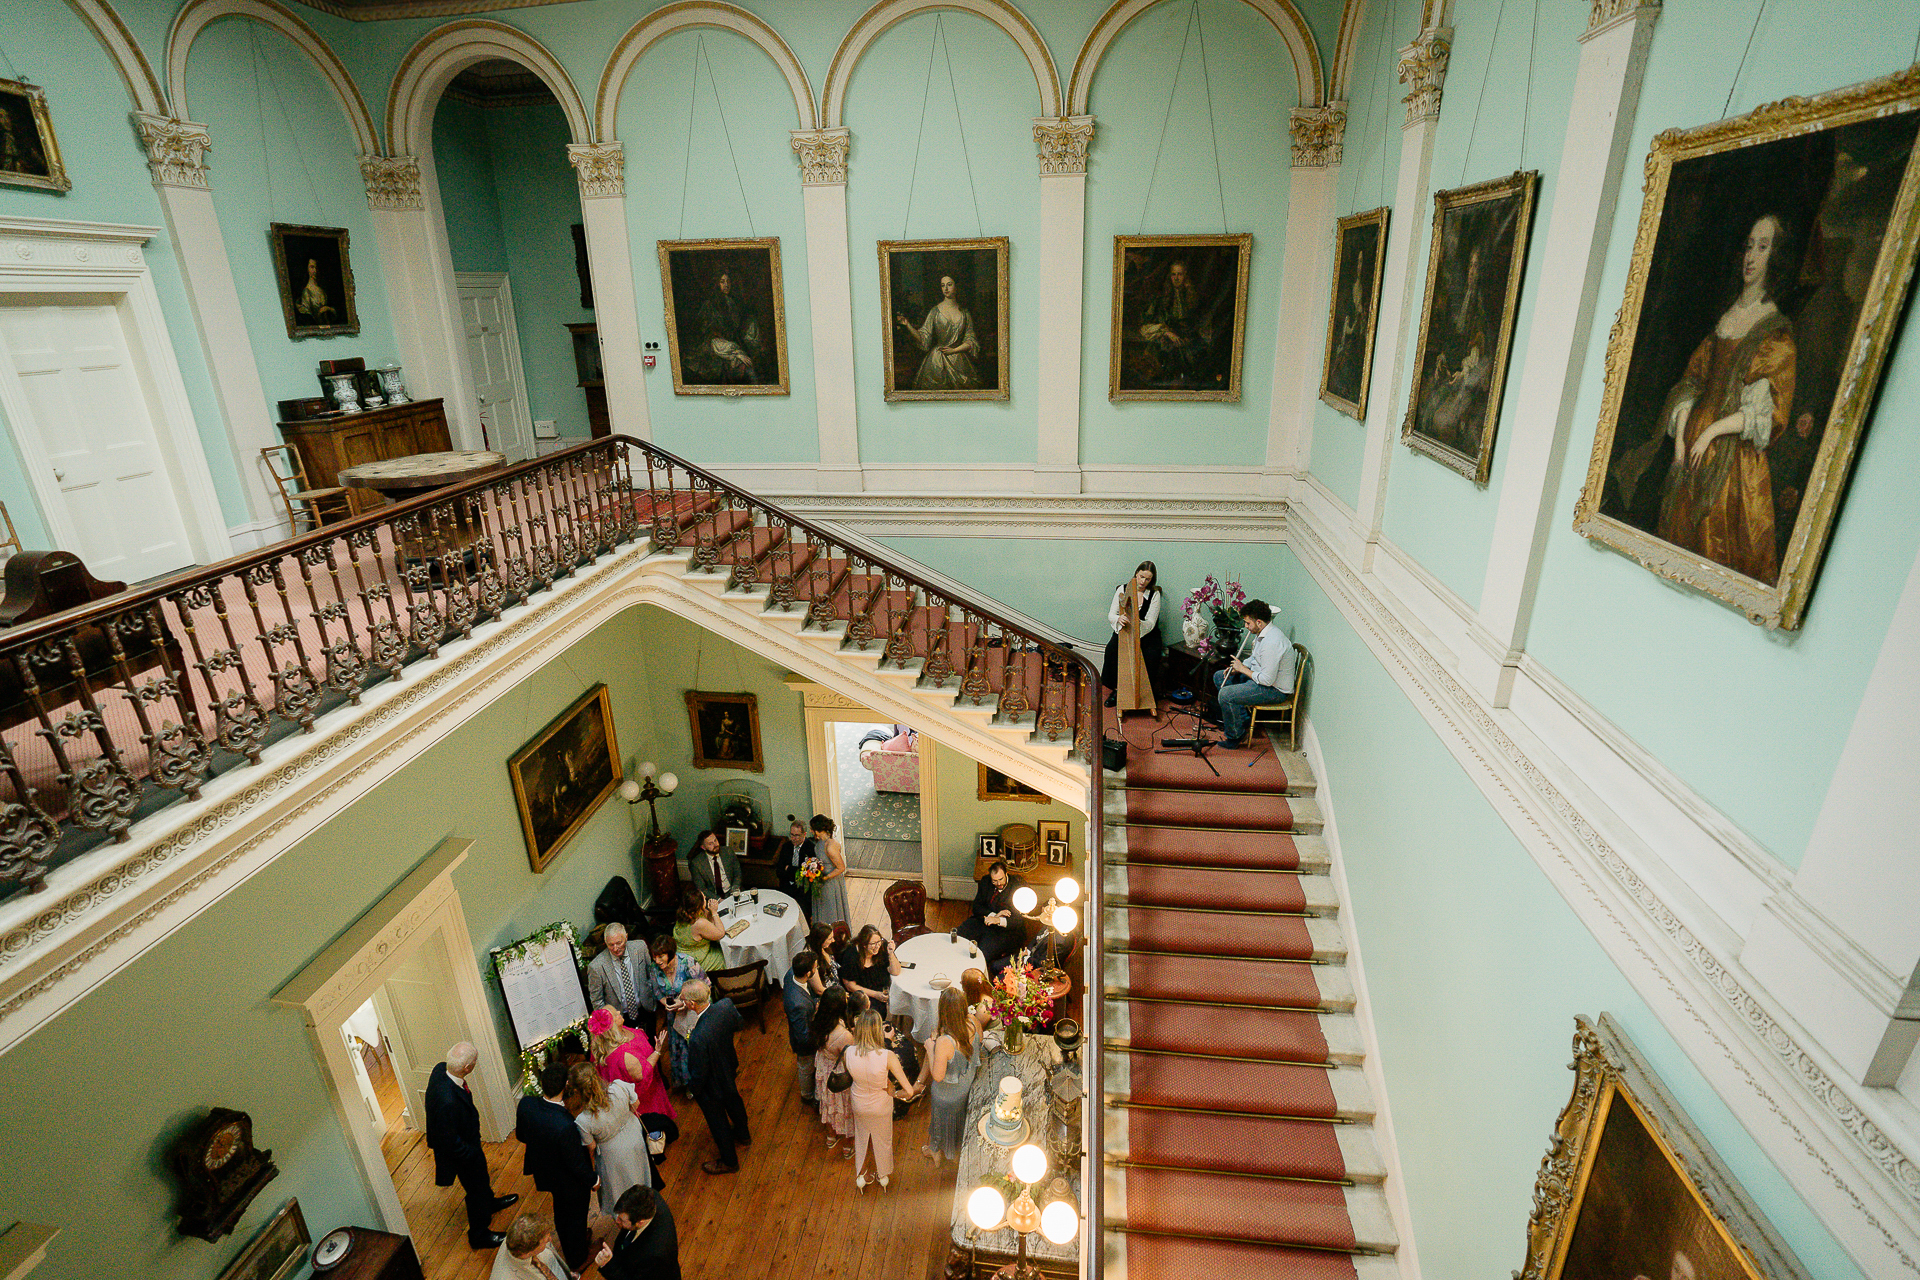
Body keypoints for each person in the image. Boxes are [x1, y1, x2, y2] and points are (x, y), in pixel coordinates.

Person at [1653, 213, 1797, 585]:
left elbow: (1766, 413)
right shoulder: (1726, 319)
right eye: (1749, 245)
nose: (1751, 256)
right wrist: (1682, 444)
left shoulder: (1775, 331)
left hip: (1734, 462)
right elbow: (1691, 382)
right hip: (1692, 454)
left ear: (1775, 257)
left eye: (1762, 247)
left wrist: (1710, 432)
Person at [425, 1042, 517, 1250]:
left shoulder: (441, 1068)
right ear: (467, 1068)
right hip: (461, 1153)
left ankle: (490, 1203)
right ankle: (479, 1234)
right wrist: (471, 1153)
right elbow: (448, 1141)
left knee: (482, 1180)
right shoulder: (447, 1101)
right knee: (474, 1190)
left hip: (468, 1142)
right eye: (474, 1062)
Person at [515, 1063, 595, 1273]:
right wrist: (594, 1180)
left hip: (546, 1174)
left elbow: (521, 1135)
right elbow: (576, 1164)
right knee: (576, 1216)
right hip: (570, 1181)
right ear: (566, 1086)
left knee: (561, 1212)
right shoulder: (565, 1124)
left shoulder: (526, 1104)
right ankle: (578, 1258)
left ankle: (572, 1242)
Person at [680, 978, 751, 1174]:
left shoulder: (698, 1037)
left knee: (718, 1122)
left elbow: (699, 1072)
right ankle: (744, 1135)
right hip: (728, 1067)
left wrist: (693, 1090)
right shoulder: (726, 1006)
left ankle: (729, 1161)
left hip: (712, 1085)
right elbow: (739, 1024)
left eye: (684, 999)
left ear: (692, 1004)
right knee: (734, 1100)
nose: (683, 1002)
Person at [845, 1009, 917, 1191]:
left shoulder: (848, 1052)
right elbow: (909, 1091)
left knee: (861, 1137)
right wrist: (893, 1093)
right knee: (883, 1139)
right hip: (881, 1103)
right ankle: (883, 1175)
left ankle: (861, 1175)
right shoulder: (887, 1056)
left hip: (859, 1101)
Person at [566, 1061, 651, 1214]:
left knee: (620, 1188)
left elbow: (591, 1147)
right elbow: (636, 1103)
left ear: (578, 1090)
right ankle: (646, 1205)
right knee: (640, 1174)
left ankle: (628, 1219)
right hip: (634, 1137)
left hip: (612, 1155)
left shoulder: (583, 1120)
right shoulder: (619, 1087)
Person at [1210, 599, 1296, 745]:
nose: (1246, 626)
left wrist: (1243, 669)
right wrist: (1238, 669)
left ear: (1259, 622)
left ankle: (1235, 736)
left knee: (1225, 695)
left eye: (1248, 623)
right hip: (1260, 680)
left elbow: (1267, 680)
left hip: (1275, 690)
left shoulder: (1272, 642)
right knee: (1219, 676)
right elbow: (1254, 658)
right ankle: (1242, 720)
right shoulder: (1262, 634)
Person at [917, 988, 980, 1165]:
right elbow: (979, 1041)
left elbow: (937, 1076)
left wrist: (931, 1049)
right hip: (966, 1083)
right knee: (959, 1120)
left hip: (948, 1094)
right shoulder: (972, 1022)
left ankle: (935, 1150)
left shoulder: (945, 1042)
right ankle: (957, 1147)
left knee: (940, 1121)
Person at [1136, 259, 1219, 387]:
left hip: (1188, 341)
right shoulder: (1161, 300)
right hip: (1166, 341)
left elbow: (1202, 325)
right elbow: (1145, 326)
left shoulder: (1194, 299)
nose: (1176, 278)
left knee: (1198, 358)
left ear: (1185, 276)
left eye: (1180, 274)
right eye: (1173, 274)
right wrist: (1167, 332)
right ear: (1170, 276)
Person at [895, 274, 982, 391]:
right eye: (943, 285)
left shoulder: (965, 313)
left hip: (959, 360)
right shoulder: (935, 311)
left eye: (949, 285)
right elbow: (923, 337)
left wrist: (954, 350)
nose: (946, 289)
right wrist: (907, 324)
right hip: (937, 361)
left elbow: (971, 340)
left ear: (956, 287)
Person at [642, 935, 705, 1089]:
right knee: (680, 1051)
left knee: (695, 1048)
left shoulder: (688, 963)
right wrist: (667, 1004)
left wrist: (684, 1003)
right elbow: (657, 992)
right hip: (674, 1018)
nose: (657, 961)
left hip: (693, 1013)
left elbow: (705, 988)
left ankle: (702, 1082)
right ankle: (688, 1085)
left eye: (661, 956)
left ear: (671, 953)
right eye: (654, 956)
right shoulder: (654, 968)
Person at [589, 1006, 672, 1120]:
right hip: (644, 1099)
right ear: (611, 1027)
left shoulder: (603, 1040)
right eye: (616, 1015)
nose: (619, 1012)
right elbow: (642, 1074)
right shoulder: (624, 1055)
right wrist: (657, 1051)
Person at [1100, 560, 1162, 710]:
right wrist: (1119, 619)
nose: (1143, 582)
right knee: (1111, 650)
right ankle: (1116, 690)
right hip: (1125, 631)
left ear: (1151, 580)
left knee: (1151, 655)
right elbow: (1111, 615)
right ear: (1136, 574)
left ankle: (1145, 693)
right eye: (1141, 577)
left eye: (1147, 579)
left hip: (1147, 634)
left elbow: (1151, 622)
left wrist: (1138, 624)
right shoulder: (1122, 589)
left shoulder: (1154, 594)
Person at [688, 270, 764, 384]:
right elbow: (711, 335)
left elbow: (738, 329)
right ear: (717, 284)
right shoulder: (710, 305)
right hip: (715, 348)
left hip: (731, 345)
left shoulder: (734, 302)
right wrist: (736, 353)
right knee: (746, 369)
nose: (726, 285)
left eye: (728, 281)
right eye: (722, 282)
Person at [593, 1184, 681, 1280]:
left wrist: (608, 1265)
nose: (617, 1221)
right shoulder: (650, 1198)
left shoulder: (655, 1255)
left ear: (640, 1222)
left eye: (622, 1220)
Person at [956, 860, 1028, 973]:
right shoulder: (985, 882)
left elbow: (1018, 920)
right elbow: (977, 906)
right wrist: (993, 915)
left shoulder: (1018, 888)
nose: (998, 883)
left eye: (1001, 879)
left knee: (982, 954)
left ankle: (972, 974)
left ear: (1006, 874)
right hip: (984, 920)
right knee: (959, 937)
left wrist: (998, 920)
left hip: (1004, 930)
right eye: (995, 881)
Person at [811, 988, 857, 1153]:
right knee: (844, 1108)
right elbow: (850, 1058)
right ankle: (847, 1146)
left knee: (828, 1104)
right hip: (838, 1073)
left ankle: (831, 1137)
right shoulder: (843, 1035)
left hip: (824, 1067)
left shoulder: (818, 1019)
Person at [587, 923, 654, 1027]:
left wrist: (649, 991)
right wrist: (609, 1022)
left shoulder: (640, 947)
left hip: (645, 1008)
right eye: (611, 945)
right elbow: (597, 1001)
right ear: (605, 943)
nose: (615, 948)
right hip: (619, 1018)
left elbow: (651, 973)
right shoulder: (596, 967)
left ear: (626, 937)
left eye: (619, 943)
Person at [783, 951, 821, 1106]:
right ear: (808, 973)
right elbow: (803, 1037)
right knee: (805, 1067)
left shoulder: (791, 974)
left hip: (807, 1017)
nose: (817, 970)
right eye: (815, 968)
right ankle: (807, 1095)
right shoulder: (798, 1004)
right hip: (804, 1045)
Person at [488, 1212, 568, 1280]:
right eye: (545, 1241)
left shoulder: (518, 1235)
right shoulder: (505, 1277)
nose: (550, 1239)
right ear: (529, 1251)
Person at [838, 924, 900, 1004]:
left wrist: (891, 954)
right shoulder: (851, 956)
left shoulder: (882, 945)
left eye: (879, 941)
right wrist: (875, 994)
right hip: (863, 994)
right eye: (873, 944)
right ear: (864, 945)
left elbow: (896, 972)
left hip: (881, 989)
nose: (877, 946)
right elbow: (850, 986)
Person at [671, 886, 727, 973]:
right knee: (726, 955)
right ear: (699, 905)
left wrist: (709, 910)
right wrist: (715, 912)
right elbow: (720, 933)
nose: (705, 898)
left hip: (683, 951)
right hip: (693, 961)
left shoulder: (685, 912)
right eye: (704, 898)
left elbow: (708, 919)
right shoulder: (699, 923)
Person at [808, 814, 849, 927]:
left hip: (830, 882)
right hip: (821, 878)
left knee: (829, 908)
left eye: (812, 829)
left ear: (818, 830)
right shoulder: (820, 842)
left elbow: (841, 868)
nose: (811, 831)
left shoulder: (830, 846)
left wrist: (824, 878)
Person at [772, 817, 817, 919]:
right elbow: (779, 871)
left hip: (802, 892)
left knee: (802, 918)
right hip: (786, 888)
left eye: (797, 835)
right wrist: (796, 872)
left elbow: (808, 875)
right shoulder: (786, 846)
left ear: (804, 834)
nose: (793, 838)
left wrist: (789, 869)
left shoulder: (811, 849)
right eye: (791, 835)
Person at [686, 830, 742, 902]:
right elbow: (701, 888)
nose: (715, 844)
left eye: (715, 840)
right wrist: (718, 900)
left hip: (731, 891)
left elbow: (738, 874)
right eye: (710, 844)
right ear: (703, 847)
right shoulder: (696, 864)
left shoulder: (728, 852)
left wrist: (734, 890)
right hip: (713, 897)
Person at [804, 921, 839, 992]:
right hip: (829, 993)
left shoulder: (824, 947)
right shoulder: (812, 960)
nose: (833, 940)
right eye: (830, 938)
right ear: (820, 940)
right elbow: (819, 990)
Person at [961, 968, 994, 1040]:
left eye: (963, 983)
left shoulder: (984, 1008)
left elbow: (976, 1031)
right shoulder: (978, 994)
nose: (960, 982)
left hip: (986, 1036)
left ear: (971, 988)